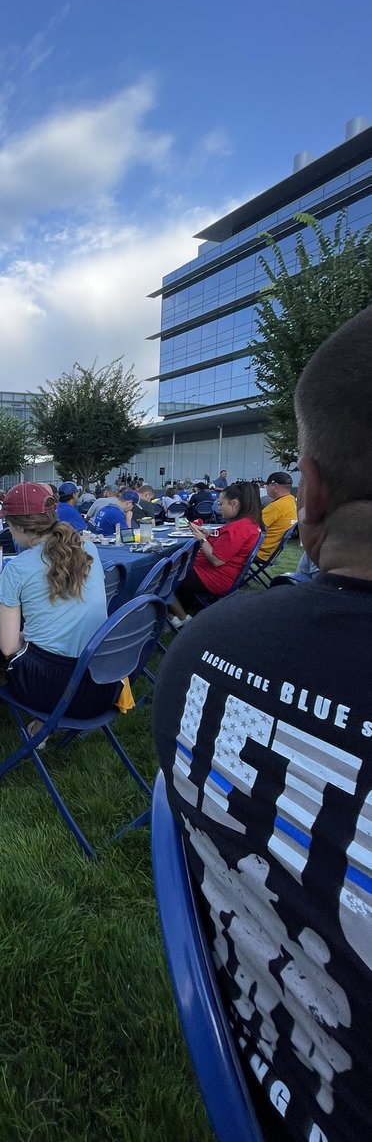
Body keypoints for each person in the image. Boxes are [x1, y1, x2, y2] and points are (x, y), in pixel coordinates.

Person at [153, 304, 372, 1142]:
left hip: (246, 1060)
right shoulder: (218, 620)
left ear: (307, 493)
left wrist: (205, 550)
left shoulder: (199, 656)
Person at [0, 482, 113, 716]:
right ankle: (41, 725)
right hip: (104, 682)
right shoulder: (88, 548)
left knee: (3, 654)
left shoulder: (17, 568)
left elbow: (8, 647)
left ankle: (39, 723)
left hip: (54, 690)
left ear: (19, 527)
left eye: (7, 524)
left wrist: (28, 634)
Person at [168, 480, 261, 623]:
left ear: (234, 503)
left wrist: (202, 539)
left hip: (213, 577)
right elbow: (226, 542)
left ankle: (180, 617)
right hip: (216, 573)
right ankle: (173, 614)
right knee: (174, 569)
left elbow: (216, 560)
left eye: (221, 504)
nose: (218, 508)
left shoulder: (238, 528)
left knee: (163, 576)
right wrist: (209, 533)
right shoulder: (247, 524)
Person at [256, 470, 298, 562]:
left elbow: (253, 527)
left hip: (258, 551)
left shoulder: (277, 506)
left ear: (275, 486)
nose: (266, 489)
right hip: (271, 553)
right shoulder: (292, 502)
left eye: (267, 486)